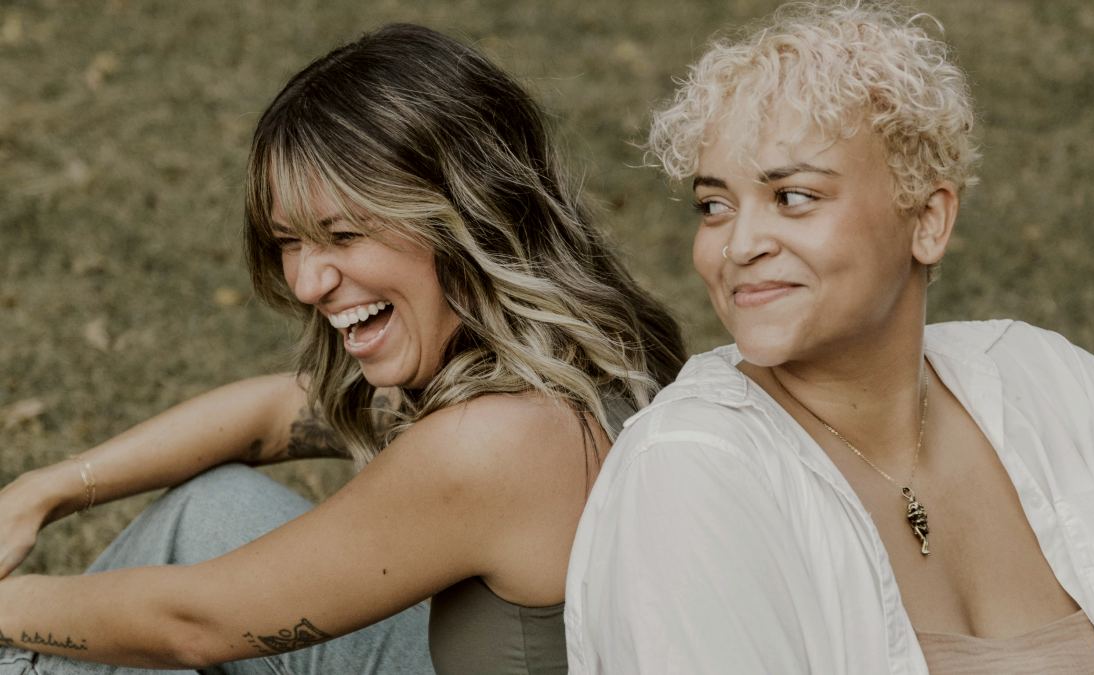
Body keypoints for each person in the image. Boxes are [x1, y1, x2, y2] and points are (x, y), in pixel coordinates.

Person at [0, 22, 685, 675]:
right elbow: (274, 414)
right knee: (212, 509)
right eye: (291, 240)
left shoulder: (495, 441)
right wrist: (46, 490)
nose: (305, 281)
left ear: (468, 216)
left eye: (344, 235)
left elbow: (194, 623)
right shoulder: (594, 351)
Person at [565, 2, 1094, 673]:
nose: (739, 245)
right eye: (714, 205)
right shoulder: (692, 474)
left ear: (928, 220)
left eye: (793, 197)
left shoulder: (1050, 385)